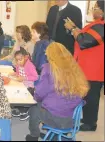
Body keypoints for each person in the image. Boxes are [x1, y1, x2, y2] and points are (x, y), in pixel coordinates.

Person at [25, 42, 89, 141]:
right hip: (70, 118)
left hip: (55, 118)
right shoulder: (75, 69)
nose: (45, 55)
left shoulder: (48, 68)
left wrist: (35, 95)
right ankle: (55, 135)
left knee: (34, 108)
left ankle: (34, 135)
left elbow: (39, 94)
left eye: (47, 53)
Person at [64, 0, 104, 131]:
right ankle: (87, 118)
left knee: (92, 96)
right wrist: (75, 28)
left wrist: (73, 28)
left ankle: (91, 123)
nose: (93, 9)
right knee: (87, 94)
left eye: (96, 7)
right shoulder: (95, 24)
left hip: (94, 68)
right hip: (86, 66)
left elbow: (84, 41)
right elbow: (83, 35)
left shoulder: (102, 26)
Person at [9, 48, 38, 121]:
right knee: (15, 93)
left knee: (23, 96)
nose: (18, 62)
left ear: (26, 57)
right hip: (21, 84)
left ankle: (25, 111)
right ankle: (19, 109)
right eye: (17, 60)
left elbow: (35, 77)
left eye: (20, 60)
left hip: (29, 87)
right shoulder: (18, 65)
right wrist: (15, 74)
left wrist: (24, 78)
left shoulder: (30, 66)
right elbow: (19, 73)